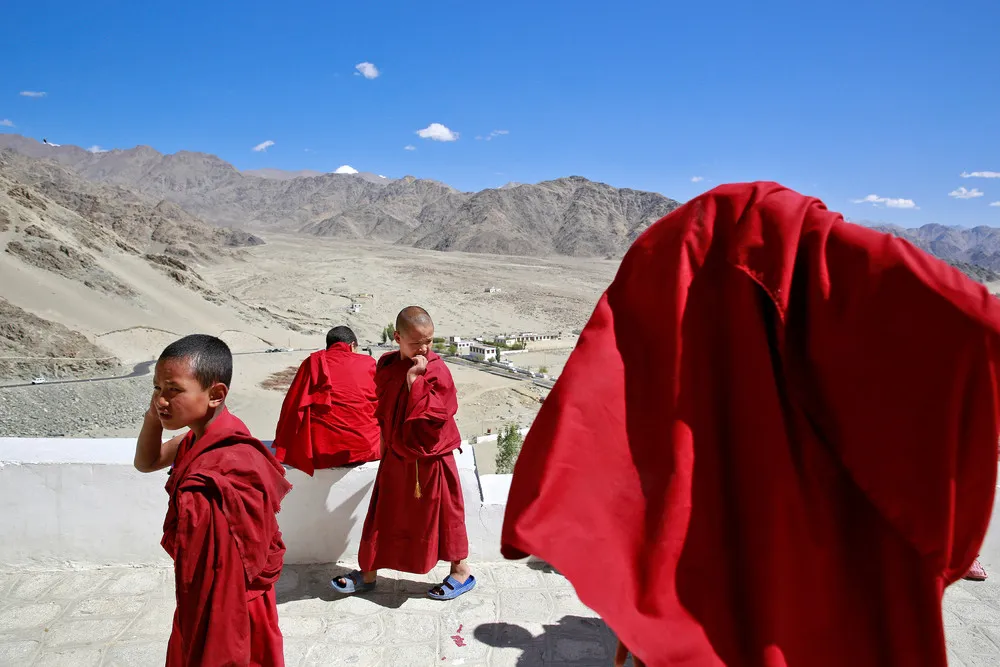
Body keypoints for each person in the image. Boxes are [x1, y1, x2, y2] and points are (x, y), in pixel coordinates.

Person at [499, 182, 1000, 667]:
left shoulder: (664, 260)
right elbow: (966, 315)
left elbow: (600, 400)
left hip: (690, 518)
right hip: (794, 524)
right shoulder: (798, 254)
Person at [134, 334, 292, 666]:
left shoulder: (220, 469)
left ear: (216, 394)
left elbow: (219, 572)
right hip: (218, 590)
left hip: (229, 604)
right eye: (156, 388)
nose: (161, 400)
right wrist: (153, 416)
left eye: (174, 390)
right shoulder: (197, 438)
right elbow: (147, 462)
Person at [331, 306, 475, 600]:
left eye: (429, 341)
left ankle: (461, 572)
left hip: (432, 458)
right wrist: (385, 452)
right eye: (416, 342)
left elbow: (440, 415)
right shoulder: (386, 365)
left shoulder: (437, 370)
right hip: (396, 456)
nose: (424, 349)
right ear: (397, 338)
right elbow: (384, 412)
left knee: (446, 516)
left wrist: (415, 382)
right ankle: (368, 573)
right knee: (383, 514)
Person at [273, 325, 381, 474]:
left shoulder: (312, 363)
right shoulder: (368, 362)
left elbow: (291, 406)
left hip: (320, 451)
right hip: (366, 448)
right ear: (352, 345)